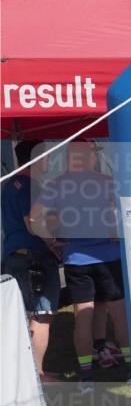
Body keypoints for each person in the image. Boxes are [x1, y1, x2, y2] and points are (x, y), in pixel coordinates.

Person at [31, 141, 130, 390]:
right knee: (119, 314)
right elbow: (128, 210)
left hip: (76, 260)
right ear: (91, 158)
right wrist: (117, 231)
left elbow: (34, 219)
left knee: (82, 317)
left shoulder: (56, 184)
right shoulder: (106, 182)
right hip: (108, 258)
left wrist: (51, 241)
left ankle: (86, 375)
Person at [1, 141, 62, 381]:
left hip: (14, 255)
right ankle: (37, 375)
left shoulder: (9, 185)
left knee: (25, 314)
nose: (49, 160)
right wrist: (52, 242)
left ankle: (25, 375)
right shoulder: (30, 185)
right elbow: (33, 223)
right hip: (33, 257)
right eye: (46, 156)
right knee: (42, 314)